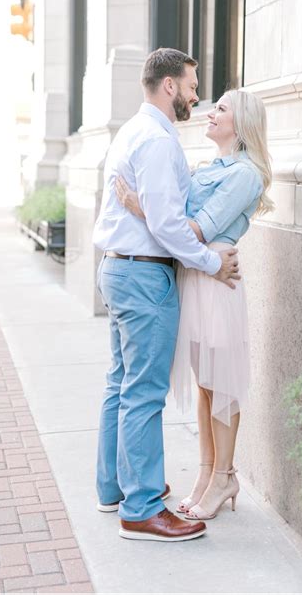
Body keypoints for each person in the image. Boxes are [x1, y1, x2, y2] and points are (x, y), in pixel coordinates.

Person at [92, 48, 240, 542]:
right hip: (143, 275)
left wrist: (145, 211)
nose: (197, 98)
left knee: (121, 383)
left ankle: (115, 487)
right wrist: (212, 263)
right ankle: (141, 508)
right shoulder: (157, 140)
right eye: (193, 86)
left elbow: (152, 213)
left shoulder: (133, 131)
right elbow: (170, 225)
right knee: (144, 392)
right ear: (170, 85)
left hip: (118, 269)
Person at [115, 88, 274, 520]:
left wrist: (138, 206)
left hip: (216, 280)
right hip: (198, 275)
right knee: (205, 384)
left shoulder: (245, 174)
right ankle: (207, 474)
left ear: (240, 125)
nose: (210, 112)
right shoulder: (212, 167)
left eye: (220, 108)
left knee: (221, 384)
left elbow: (197, 229)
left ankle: (225, 475)